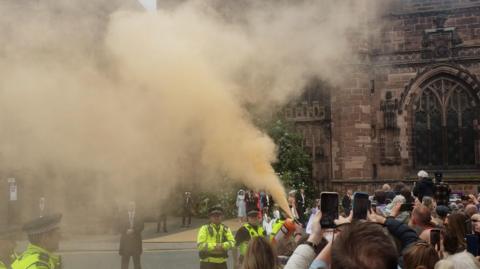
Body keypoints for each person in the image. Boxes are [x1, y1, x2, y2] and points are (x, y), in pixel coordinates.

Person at [118, 201, 144, 269]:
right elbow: (119, 226)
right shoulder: (122, 215)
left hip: (136, 243)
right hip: (126, 243)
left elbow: (141, 226)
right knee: (124, 265)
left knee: (137, 264)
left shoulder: (139, 215)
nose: (131, 207)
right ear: (127, 207)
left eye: (133, 205)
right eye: (130, 205)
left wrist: (134, 230)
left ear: (135, 206)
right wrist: (126, 230)